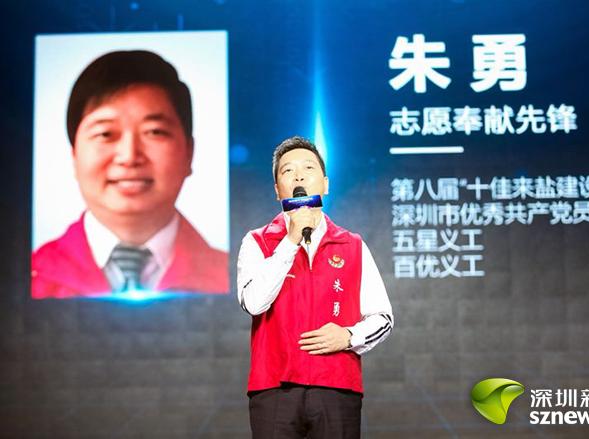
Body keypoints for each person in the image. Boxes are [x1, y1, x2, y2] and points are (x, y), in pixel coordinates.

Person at [31, 50, 229, 298]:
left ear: (189, 153)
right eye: (105, 134)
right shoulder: (26, 278)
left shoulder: (238, 279)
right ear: (74, 155)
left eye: (154, 132)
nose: (129, 156)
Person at [237, 136, 393, 438]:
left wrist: (348, 336)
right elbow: (254, 303)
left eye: (308, 168)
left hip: (336, 388)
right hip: (274, 389)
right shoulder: (256, 241)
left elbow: (382, 318)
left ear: (325, 184)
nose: (298, 176)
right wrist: (290, 240)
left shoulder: (352, 245)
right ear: (277, 190)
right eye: (288, 171)